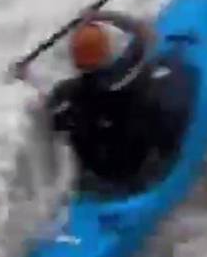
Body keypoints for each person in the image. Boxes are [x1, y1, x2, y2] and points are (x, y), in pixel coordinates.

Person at [15, 11, 188, 193]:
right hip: (139, 167)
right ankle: (167, 159)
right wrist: (103, 16)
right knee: (168, 79)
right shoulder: (125, 75)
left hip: (99, 174)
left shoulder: (66, 94)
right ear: (106, 52)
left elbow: (45, 102)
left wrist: (24, 76)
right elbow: (147, 35)